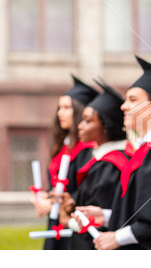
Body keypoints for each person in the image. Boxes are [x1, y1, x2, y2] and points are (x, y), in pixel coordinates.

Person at [77, 56, 151, 250]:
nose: (123, 106)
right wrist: (106, 215)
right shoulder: (146, 152)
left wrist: (117, 238)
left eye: (132, 100)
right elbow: (140, 212)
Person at [58, 82, 129, 249]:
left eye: (87, 121)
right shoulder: (104, 160)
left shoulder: (109, 166)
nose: (80, 126)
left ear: (106, 126)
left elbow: (98, 220)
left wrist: (66, 220)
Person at [34, 75, 98, 250]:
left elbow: (86, 191)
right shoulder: (64, 146)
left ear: (80, 111)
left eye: (66, 108)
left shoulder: (89, 149)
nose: (60, 113)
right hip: (55, 222)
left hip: (74, 223)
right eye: (59, 107)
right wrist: (46, 197)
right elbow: (55, 185)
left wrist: (55, 203)